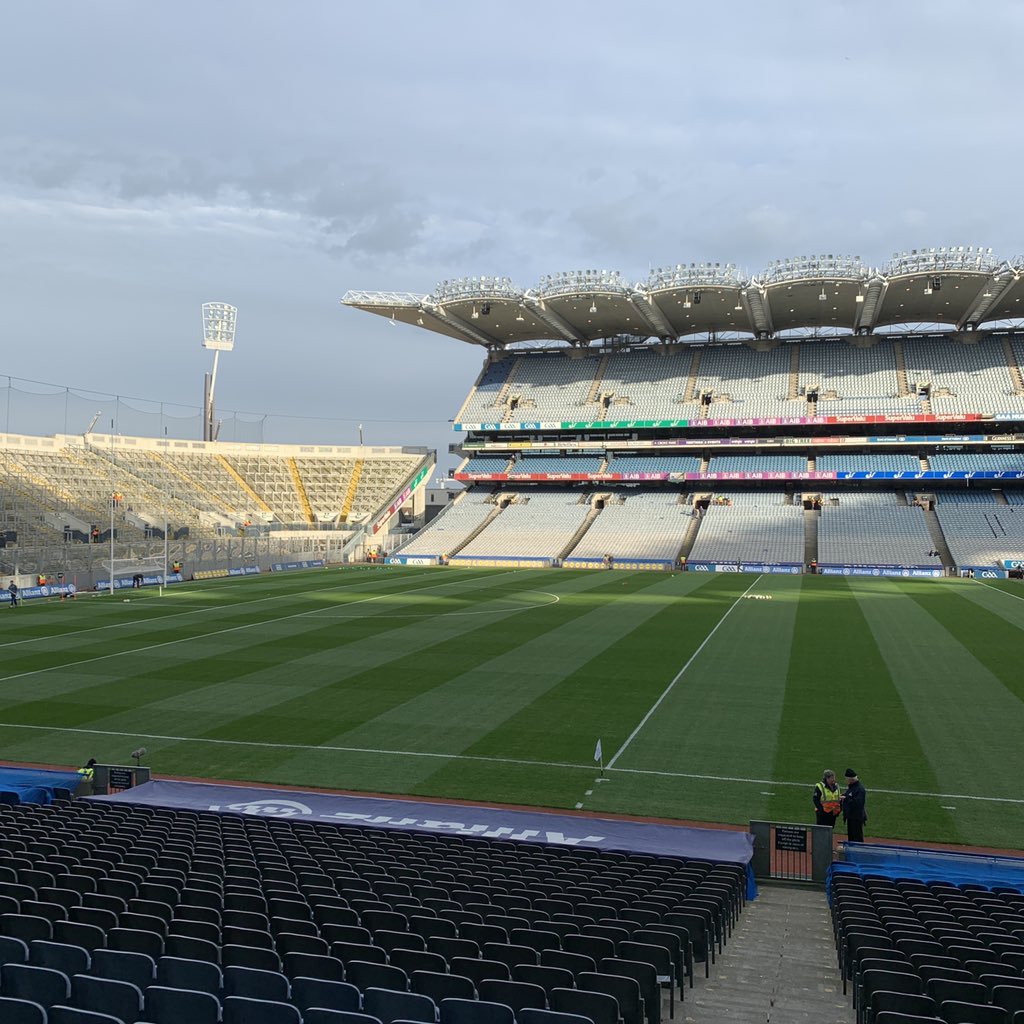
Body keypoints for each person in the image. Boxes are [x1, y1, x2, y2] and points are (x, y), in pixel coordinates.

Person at [841, 768, 868, 843]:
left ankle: (858, 853)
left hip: (856, 818)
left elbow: (858, 804)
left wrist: (846, 799)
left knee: (857, 838)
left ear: (851, 779)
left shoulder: (859, 789)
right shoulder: (853, 787)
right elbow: (849, 795)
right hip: (851, 817)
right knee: (851, 838)